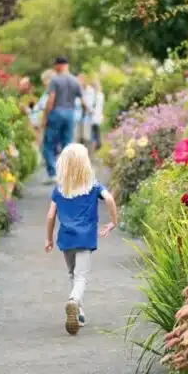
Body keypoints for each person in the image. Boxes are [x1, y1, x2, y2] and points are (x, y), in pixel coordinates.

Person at [44, 143, 118, 334]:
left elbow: (51, 215)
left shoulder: (60, 190)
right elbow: (109, 199)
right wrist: (113, 221)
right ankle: (74, 302)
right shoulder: (93, 187)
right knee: (81, 276)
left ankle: (79, 312)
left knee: (72, 274)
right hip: (85, 238)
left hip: (66, 239)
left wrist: (48, 239)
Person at [41, 57, 85, 183]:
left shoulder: (55, 80)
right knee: (67, 144)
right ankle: (67, 174)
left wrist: (44, 117)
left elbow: (51, 100)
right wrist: (85, 113)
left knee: (49, 144)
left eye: (55, 65)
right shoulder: (75, 81)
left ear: (59, 65)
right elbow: (83, 102)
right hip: (70, 114)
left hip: (56, 113)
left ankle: (53, 174)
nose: (54, 68)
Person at [89, 78, 105, 152]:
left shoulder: (94, 95)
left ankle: (94, 145)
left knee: (92, 132)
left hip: (93, 116)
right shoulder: (101, 95)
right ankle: (98, 144)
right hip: (98, 116)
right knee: (97, 131)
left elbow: (92, 106)